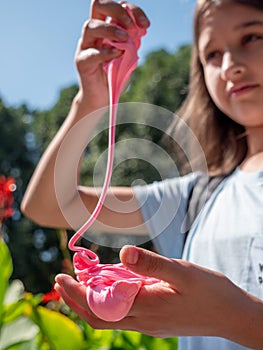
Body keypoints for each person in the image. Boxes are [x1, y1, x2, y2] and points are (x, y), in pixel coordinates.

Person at [21, 0, 263, 349]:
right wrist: (91, 101)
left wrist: (231, 318)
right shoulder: (197, 198)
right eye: (211, 54)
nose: (229, 66)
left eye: (252, 37)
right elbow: (47, 206)